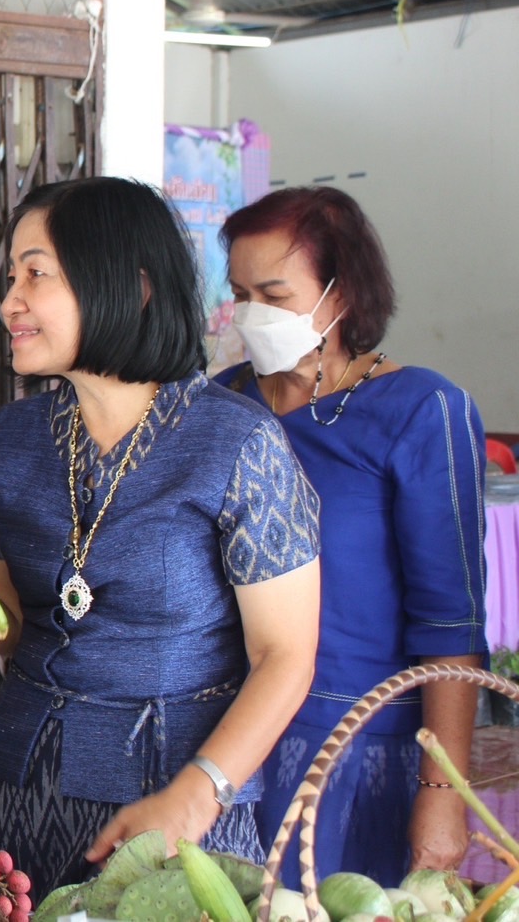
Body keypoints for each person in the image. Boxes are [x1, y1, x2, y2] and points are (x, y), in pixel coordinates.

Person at [0, 176, 322, 894]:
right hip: (14, 798)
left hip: (174, 813)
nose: (10, 302)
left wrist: (201, 790)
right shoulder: (15, 438)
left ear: (132, 287)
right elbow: (3, 627)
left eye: (37, 274)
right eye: (11, 277)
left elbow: (285, 655)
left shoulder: (237, 442)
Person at [216, 186, 486, 886]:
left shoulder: (421, 409)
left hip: (355, 753)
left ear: (339, 296)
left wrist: (442, 795)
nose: (253, 314)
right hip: (226, 743)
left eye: (274, 294)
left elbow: (449, 623)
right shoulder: (223, 403)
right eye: (241, 293)